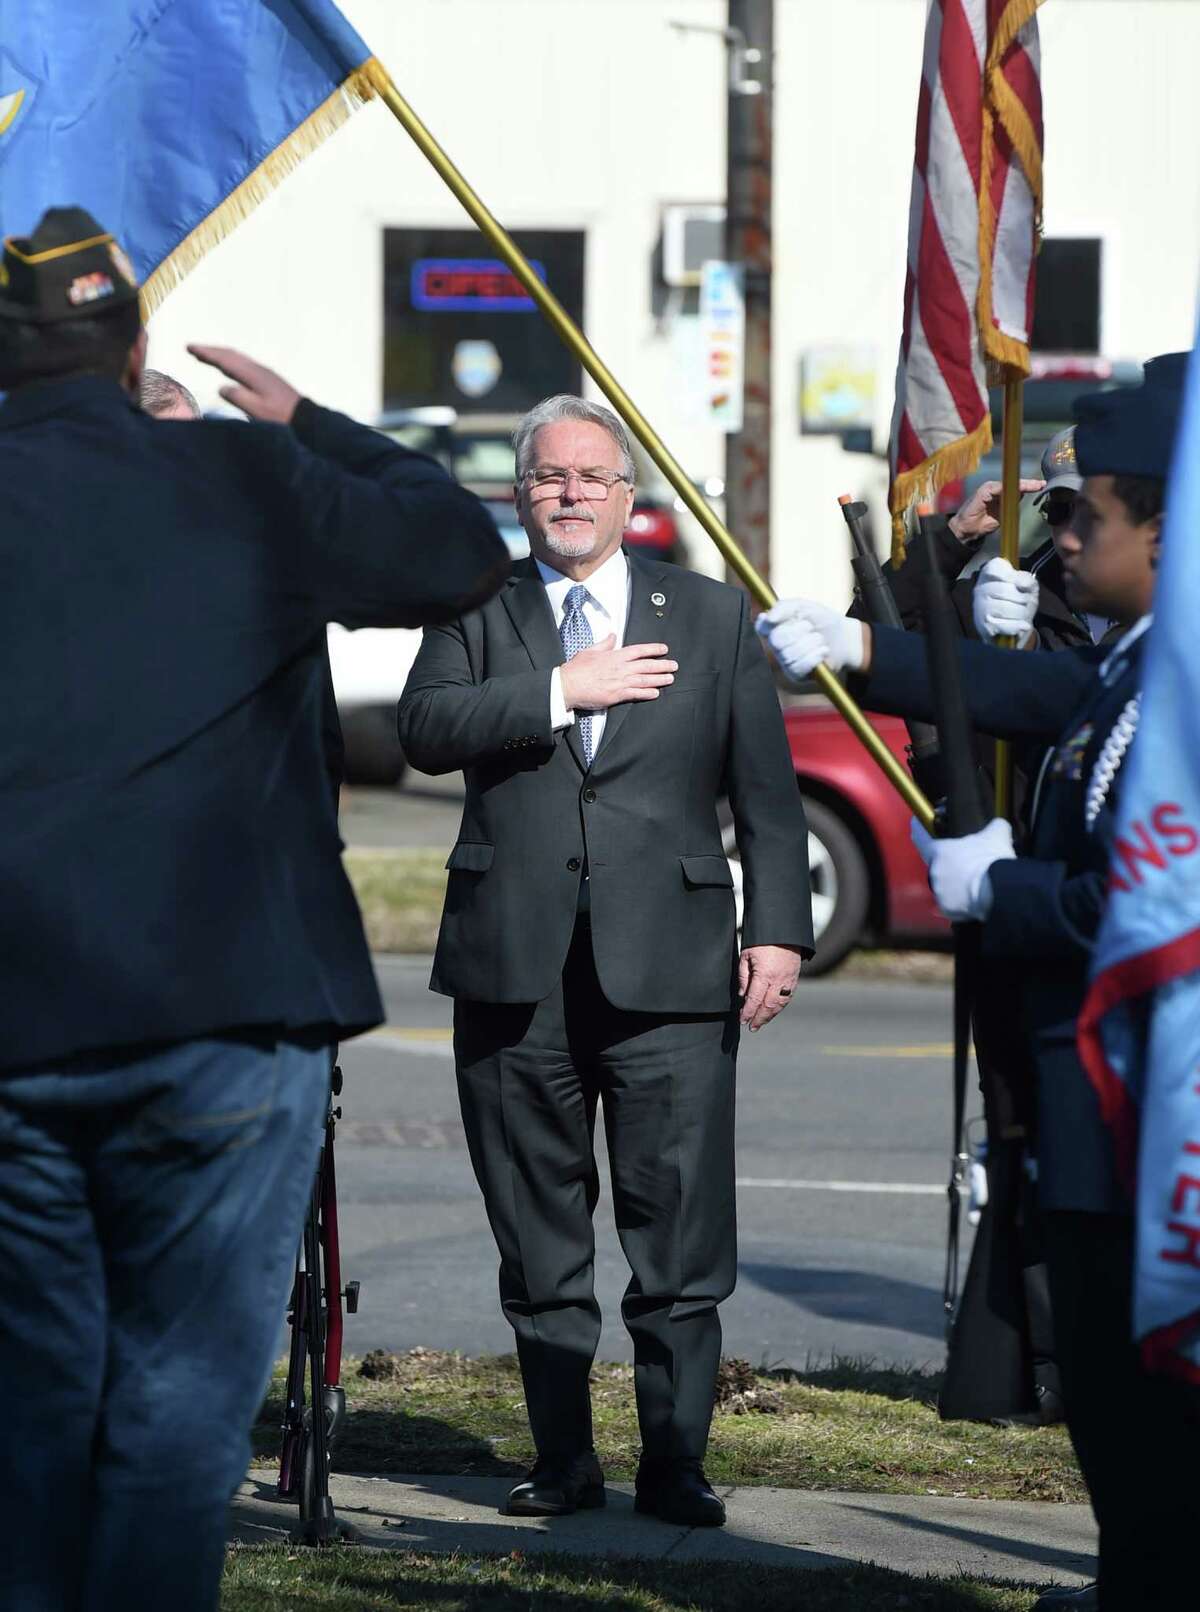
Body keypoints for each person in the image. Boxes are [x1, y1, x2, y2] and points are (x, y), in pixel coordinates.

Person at [0, 206, 510, 1612]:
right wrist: (316, 426)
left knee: (33, 1417)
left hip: (20, 1015)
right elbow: (465, 547)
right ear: (132, 347)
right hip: (224, 1010)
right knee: (173, 1418)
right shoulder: (242, 475)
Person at [759, 352, 1197, 1611]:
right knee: (1124, 1448)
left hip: (1146, 1126)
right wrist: (860, 644)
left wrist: (1000, 892)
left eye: (1082, 516)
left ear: (1168, 531)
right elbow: (1044, 688)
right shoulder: (1139, 659)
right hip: (1094, 1122)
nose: (1058, 541)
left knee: (1154, 1447)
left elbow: (1153, 904)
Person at [398, 394, 813, 1527]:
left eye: (591, 476)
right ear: (520, 494)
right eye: (547, 478)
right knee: (539, 1238)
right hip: (510, 968)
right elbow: (422, 729)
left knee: (678, 1234)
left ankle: (675, 1461)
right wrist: (554, 692)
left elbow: (766, 797)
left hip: (672, 970)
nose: (569, 493)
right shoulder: (479, 604)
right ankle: (564, 1458)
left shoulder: (713, 614)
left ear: (629, 497)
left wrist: (777, 929)